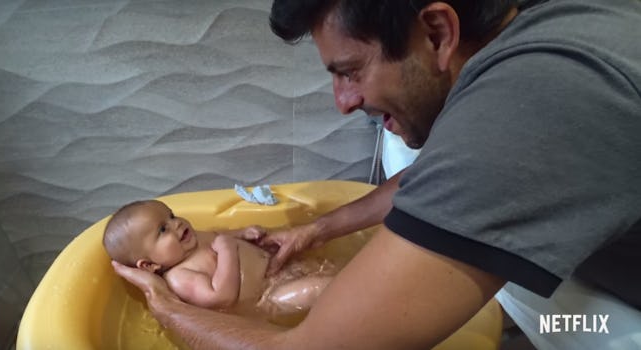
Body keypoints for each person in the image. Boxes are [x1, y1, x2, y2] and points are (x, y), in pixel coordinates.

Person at [112, 1, 641, 349]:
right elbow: (435, 179)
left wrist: (160, 302)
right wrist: (315, 230)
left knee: (560, 324)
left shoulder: (524, 113)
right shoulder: (550, 27)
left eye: (350, 71)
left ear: (437, 32)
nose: (343, 103)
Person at [104, 200, 334, 315]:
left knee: (333, 270)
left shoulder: (193, 239)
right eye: (162, 230)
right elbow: (221, 298)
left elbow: (218, 236)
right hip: (268, 297)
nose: (176, 223)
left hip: (280, 268)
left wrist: (241, 233)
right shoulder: (180, 277)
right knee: (317, 290)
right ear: (149, 265)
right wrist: (228, 250)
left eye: (171, 216)